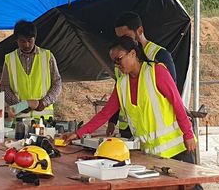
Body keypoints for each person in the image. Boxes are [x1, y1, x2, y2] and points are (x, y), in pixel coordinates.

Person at [61, 36, 198, 164]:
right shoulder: (122, 84)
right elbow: (105, 114)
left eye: (118, 59)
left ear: (133, 54)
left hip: (179, 149)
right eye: (114, 62)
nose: (116, 65)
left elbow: (177, 103)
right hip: (153, 155)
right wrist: (78, 134)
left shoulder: (156, 72)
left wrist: (188, 134)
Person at [107, 11, 179, 137]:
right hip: (129, 127)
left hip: (154, 129)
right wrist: (112, 120)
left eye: (126, 36)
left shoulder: (159, 55)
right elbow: (118, 92)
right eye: (119, 38)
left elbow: (173, 94)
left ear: (139, 31)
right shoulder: (120, 60)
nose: (122, 41)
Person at [0, 20, 62, 118]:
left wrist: (44, 103)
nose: (27, 45)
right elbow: (4, 87)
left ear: (35, 38)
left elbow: (57, 83)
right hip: (19, 117)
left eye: (30, 41)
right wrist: (21, 105)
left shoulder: (47, 56)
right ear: (16, 40)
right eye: (22, 41)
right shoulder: (9, 59)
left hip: (44, 118)